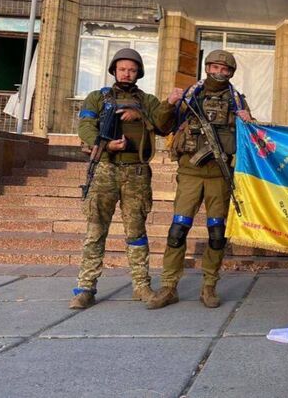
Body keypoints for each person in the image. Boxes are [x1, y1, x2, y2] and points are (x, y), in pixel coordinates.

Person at [147, 49, 253, 310]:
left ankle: (209, 286)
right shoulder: (189, 96)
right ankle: (169, 286)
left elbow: (252, 140)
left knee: (217, 233)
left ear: (231, 73)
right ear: (206, 68)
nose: (219, 72)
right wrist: (169, 103)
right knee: (177, 230)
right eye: (214, 67)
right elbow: (161, 125)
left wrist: (250, 121)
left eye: (224, 69)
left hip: (219, 176)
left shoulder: (237, 101)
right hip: (190, 173)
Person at [69, 48, 174, 309]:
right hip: (105, 168)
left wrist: (142, 116)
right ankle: (85, 288)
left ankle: (141, 286)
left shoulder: (147, 101)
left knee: (136, 231)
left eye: (132, 70)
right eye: (122, 69)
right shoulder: (97, 98)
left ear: (139, 73)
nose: (127, 74)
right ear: (114, 70)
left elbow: (164, 126)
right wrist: (105, 145)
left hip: (136, 173)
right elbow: (85, 127)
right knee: (95, 230)